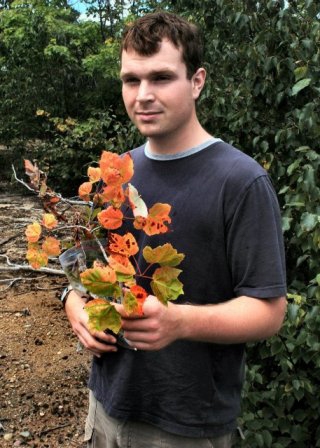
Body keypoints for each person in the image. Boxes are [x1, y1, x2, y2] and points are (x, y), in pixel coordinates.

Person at [64, 11, 287, 448]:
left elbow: (269, 311)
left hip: (185, 424)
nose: (143, 95)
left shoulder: (240, 181)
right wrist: (74, 304)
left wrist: (179, 322)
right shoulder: (116, 172)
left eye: (162, 77)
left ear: (197, 81)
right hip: (107, 405)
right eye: (131, 80)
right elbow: (87, 268)